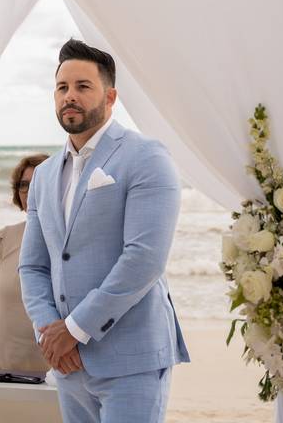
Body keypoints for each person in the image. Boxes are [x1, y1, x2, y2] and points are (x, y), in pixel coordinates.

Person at [19, 39, 190, 423]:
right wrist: (51, 334)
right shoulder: (45, 175)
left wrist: (75, 330)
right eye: (62, 88)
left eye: (83, 87)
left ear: (110, 97)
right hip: (67, 363)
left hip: (131, 357)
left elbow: (144, 259)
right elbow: (32, 266)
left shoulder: (147, 157)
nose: (70, 97)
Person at [0, 153, 51, 373]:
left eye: (38, 182)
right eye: (24, 185)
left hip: (53, 366)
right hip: (3, 360)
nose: (29, 191)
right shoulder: (4, 239)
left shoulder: (75, 239)